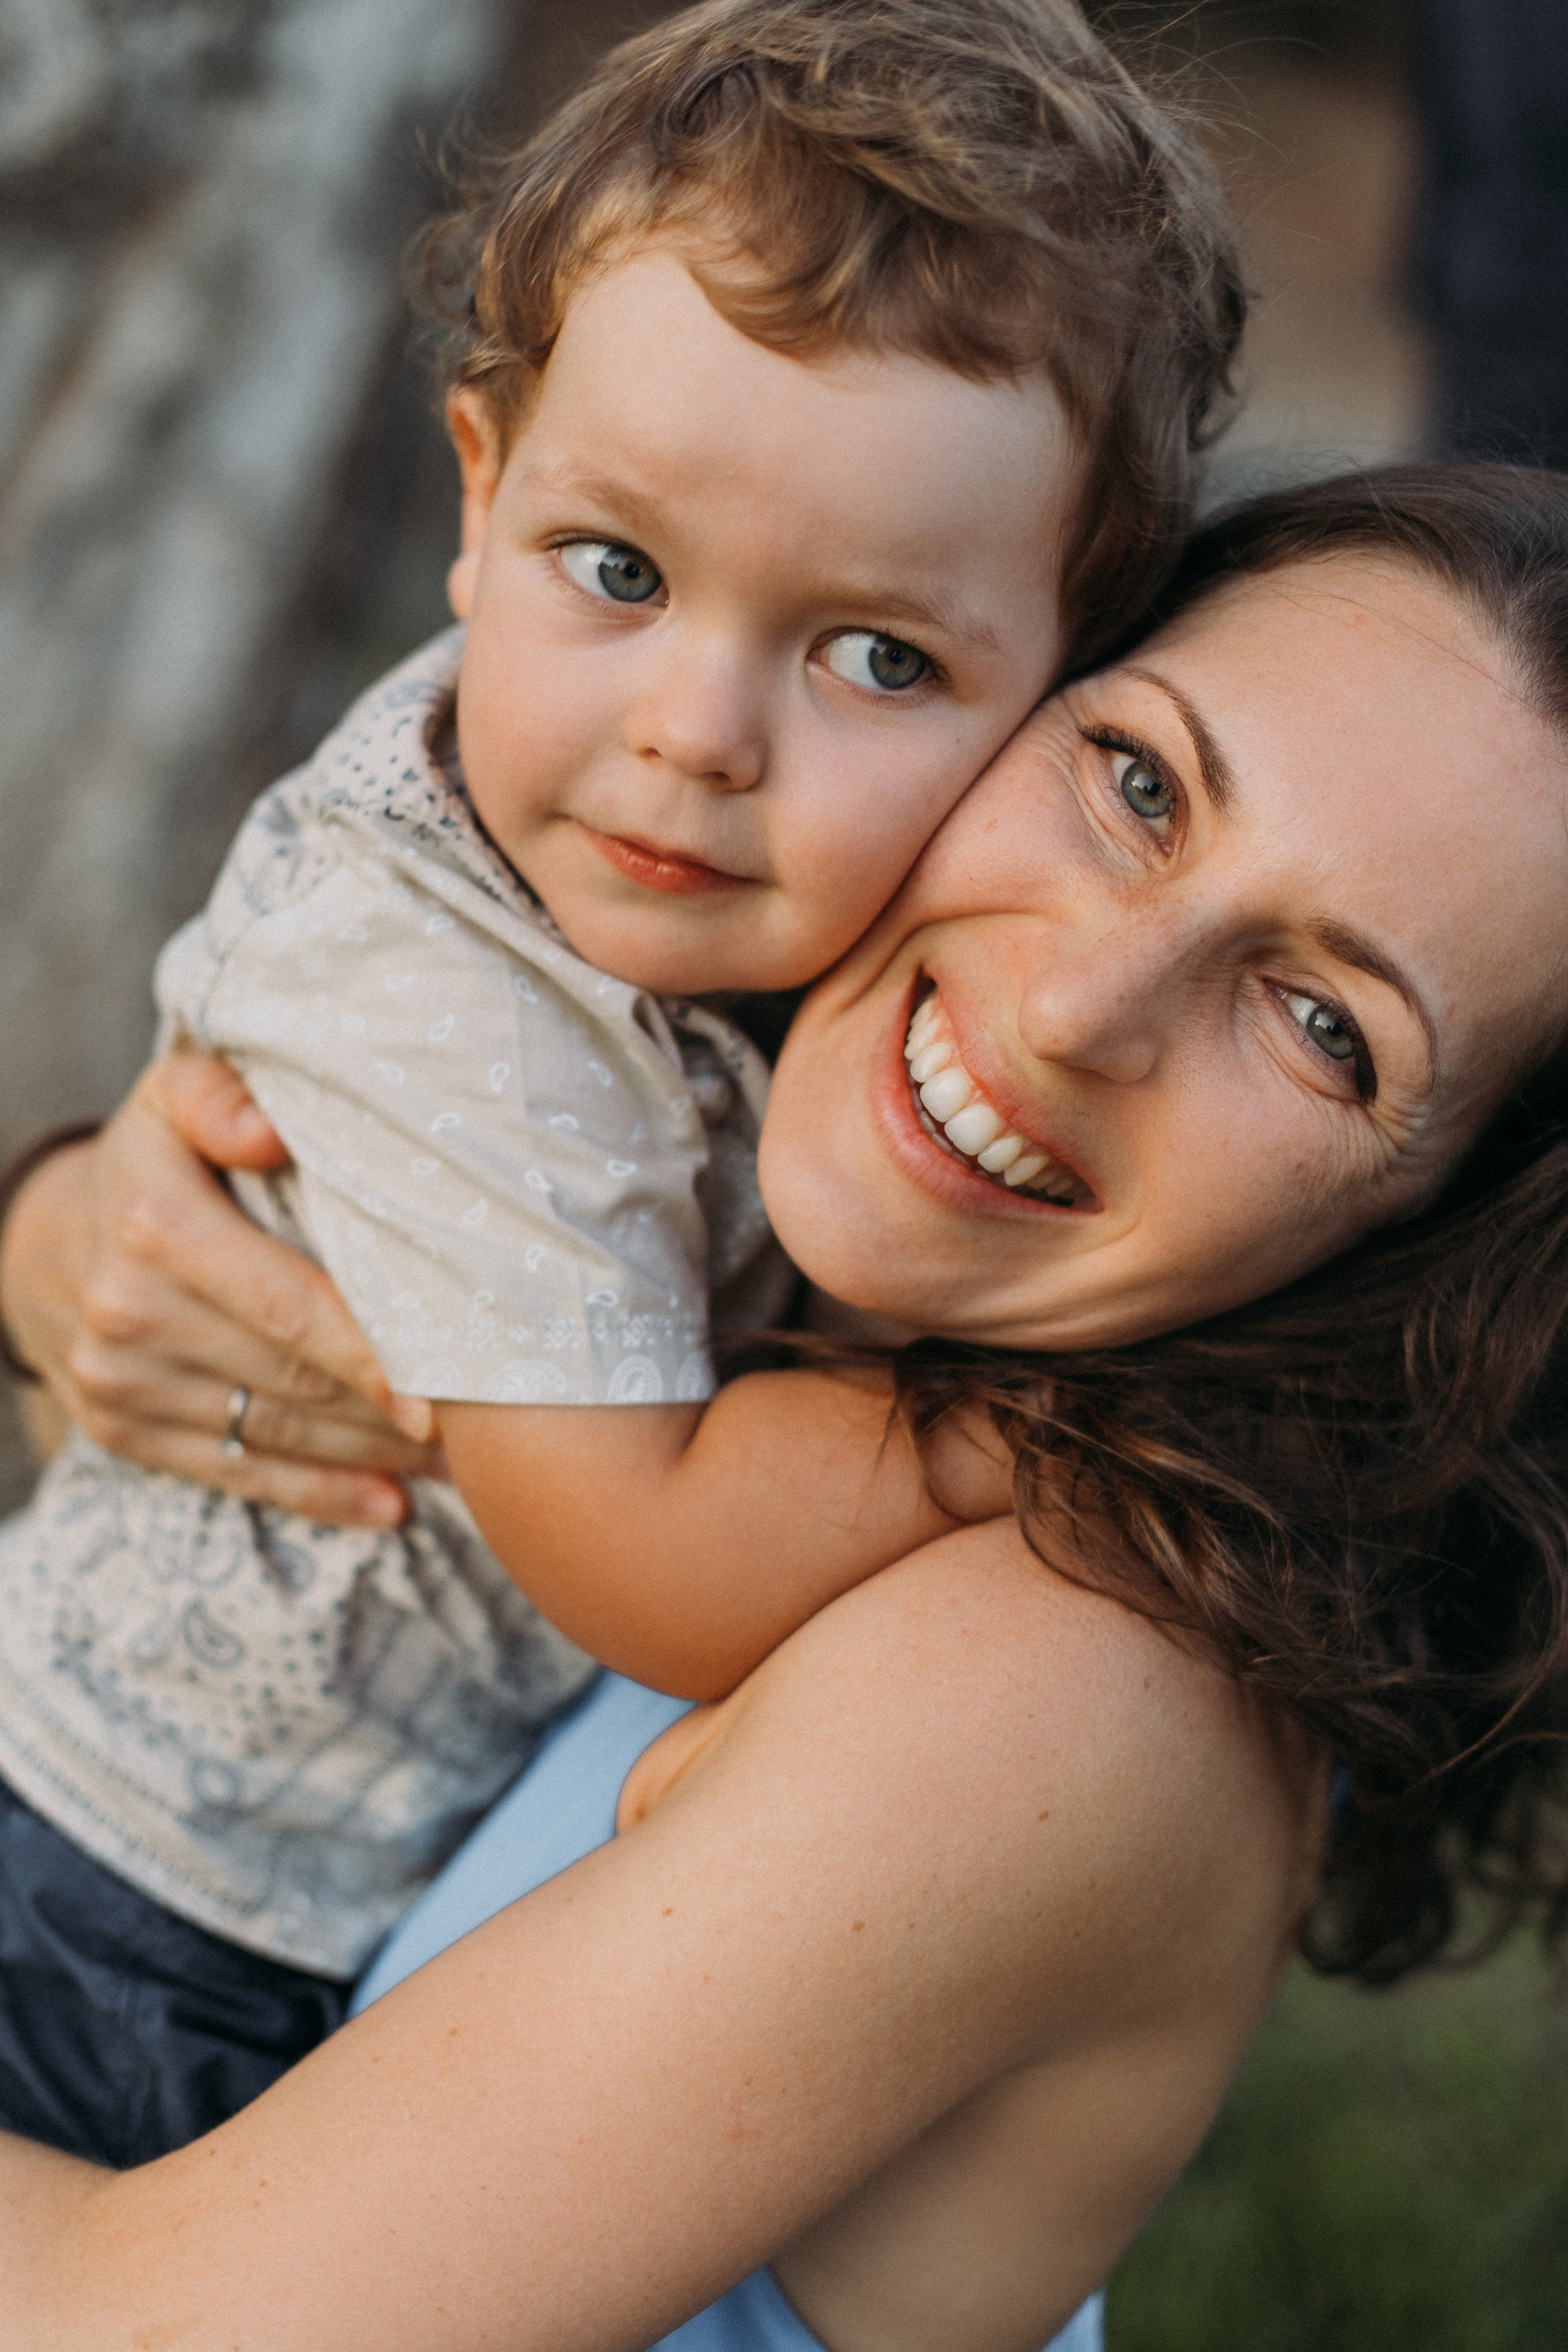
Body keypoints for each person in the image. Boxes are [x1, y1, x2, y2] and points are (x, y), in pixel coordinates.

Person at [5, 464, 1568, 2352]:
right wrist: (68, 1237)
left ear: (1454, 1246)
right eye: (1140, 782)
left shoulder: (1071, 1677)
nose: (1082, 1007)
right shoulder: (697, 1191)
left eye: (1328, 1029)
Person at [0, 0, 1246, 2166]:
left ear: (1062, 675)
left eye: (877, 656)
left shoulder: (683, 868)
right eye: (620, 571)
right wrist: (1060, 1441)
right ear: (479, 499)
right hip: (120, 1908)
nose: (695, 729)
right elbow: (649, 1554)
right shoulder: (437, 985)